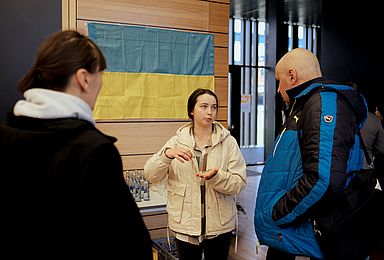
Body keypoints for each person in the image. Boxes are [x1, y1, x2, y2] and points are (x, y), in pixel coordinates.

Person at [0, 30, 153, 258]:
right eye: (100, 74)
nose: (101, 83)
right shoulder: (93, 151)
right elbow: (129, 244)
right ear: (84, 78)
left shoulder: (5, 134)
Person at [254, 48, 367, 259]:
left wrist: (279, 214)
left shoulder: (322, 104)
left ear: (292, 75)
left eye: (279, 81)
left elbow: (324, 180)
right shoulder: (308, 104)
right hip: (292, 237)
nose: (279, 90)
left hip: (305, 238)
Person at [144, 88, 247, 260]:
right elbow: (150, 175)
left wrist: (217, 176)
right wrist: (167, 155)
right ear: (191, 110)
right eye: (204, 106)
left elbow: (239, 183)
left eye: (214, 107)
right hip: (185, 227)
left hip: (220, 228)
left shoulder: (228, 142)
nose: (210, 112)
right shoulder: (176, 141)